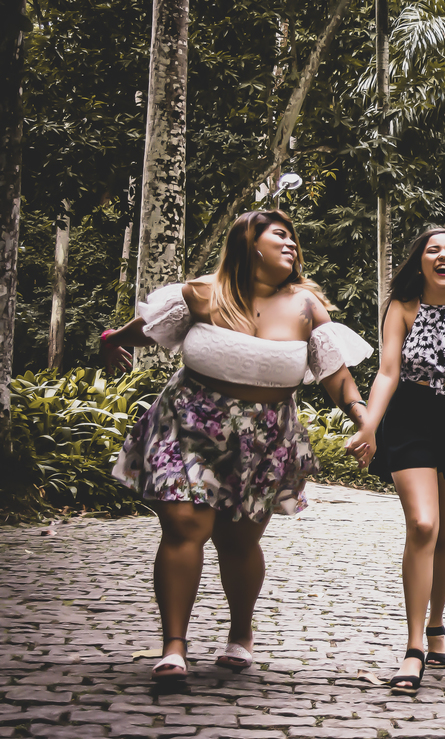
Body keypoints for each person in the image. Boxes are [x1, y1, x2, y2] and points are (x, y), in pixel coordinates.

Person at [103, 209, 373, 682]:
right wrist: (113, 339)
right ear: (250, 242)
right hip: (188, 425)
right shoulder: (203, 293)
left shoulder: (307, 305)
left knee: (238, 540)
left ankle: (240, 633)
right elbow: (148, 326)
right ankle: (174, 646)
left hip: (262, 439)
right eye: (280, 235)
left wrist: (362, 417)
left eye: (293, 238)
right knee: (185, 524)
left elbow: (335, 373)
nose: (291, 244)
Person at [347, 228, 445, 695]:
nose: (443, 255)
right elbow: (388, 371)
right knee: (424, 525)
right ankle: (413, 647)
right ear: (420, 262)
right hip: (410, 416)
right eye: (433, 249)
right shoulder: (402, 307)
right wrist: (369, 424)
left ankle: (437, 622)